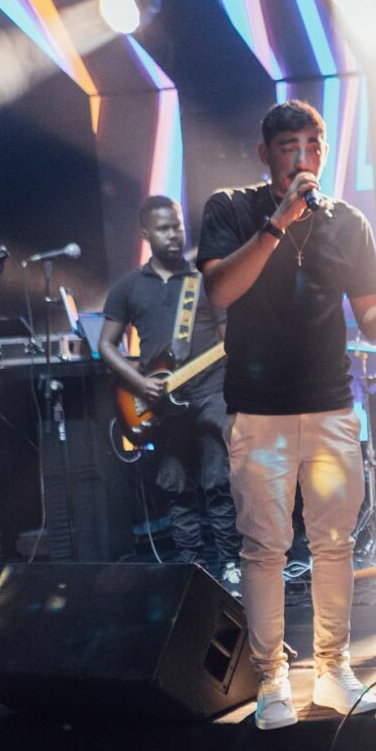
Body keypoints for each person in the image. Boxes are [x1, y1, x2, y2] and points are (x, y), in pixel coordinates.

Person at [198, 100, 376, 724]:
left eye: (311, 147)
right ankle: (272, 678)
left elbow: (371, 317)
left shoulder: (348, 222)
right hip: (259, 412)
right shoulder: (230, 209)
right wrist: (277, 223)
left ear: (323, 154)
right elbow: (221, 291)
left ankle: (332, 668)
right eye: (288, 146)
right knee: (266, 547)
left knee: (333, 544)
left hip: (329, 408)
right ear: (265, 153)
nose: (302, 158)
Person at [100, 195, 241, 587]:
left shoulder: (204, 279)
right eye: (164, 229)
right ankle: (191, 570)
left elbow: (232, 340)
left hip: (211, 392)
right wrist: (139, 382)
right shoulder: (128, 287)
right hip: (159, 403)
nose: (174, 235)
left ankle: (230, 564)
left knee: (219, 483)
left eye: (177, 226)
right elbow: (106, 345)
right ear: (145, 234)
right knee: (177, 488)